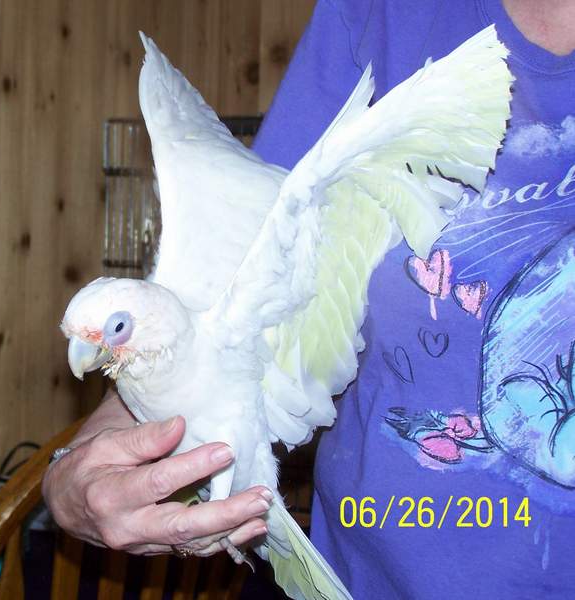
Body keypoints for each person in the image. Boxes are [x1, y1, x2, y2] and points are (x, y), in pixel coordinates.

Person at [44, 0, 575, 597]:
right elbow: (242, 255)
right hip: (373, 573)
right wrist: (80, 467)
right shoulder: (370, 14)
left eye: (113, 329)